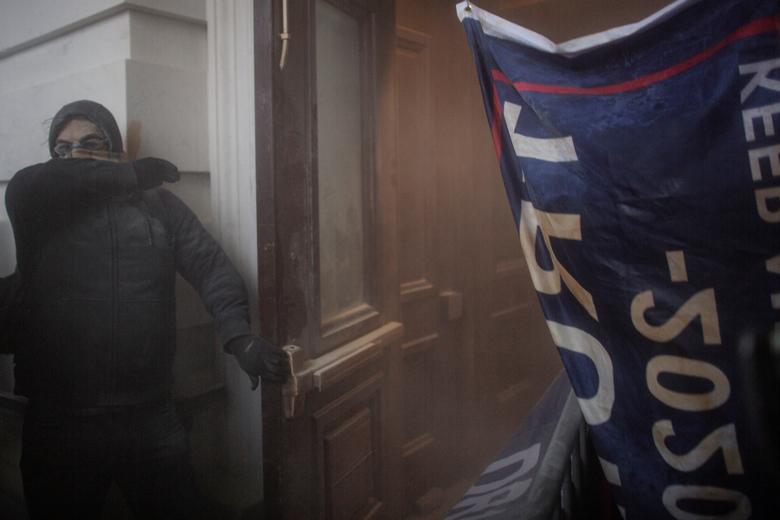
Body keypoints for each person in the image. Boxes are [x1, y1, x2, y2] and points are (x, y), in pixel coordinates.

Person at [3, 100, 289, 519]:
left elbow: (211, 268)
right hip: (59, 421)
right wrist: (130, 174)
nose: (75, 155)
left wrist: (239, 336)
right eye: (62, 149)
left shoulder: (159, 207)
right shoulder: (36, 206)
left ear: (114, 147)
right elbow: (31, 183)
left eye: (89, 144)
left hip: (150, 416)